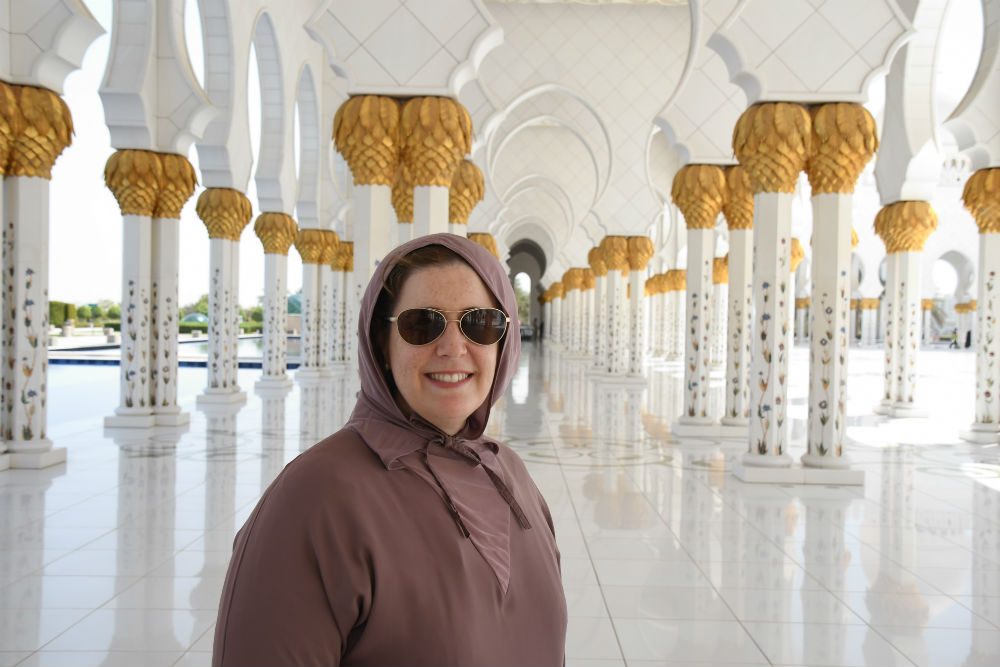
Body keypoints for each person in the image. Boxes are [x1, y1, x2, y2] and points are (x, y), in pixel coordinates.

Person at [213, 234, 567, 666]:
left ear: (503, 341)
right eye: (423, 324)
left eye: (480, 323)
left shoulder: (511, 476)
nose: (453, 348)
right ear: (382, 344)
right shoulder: (314, 498)